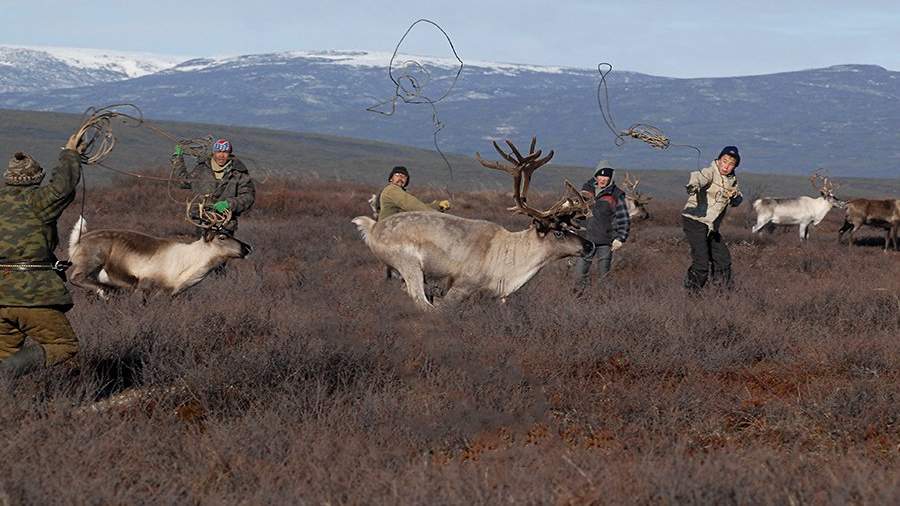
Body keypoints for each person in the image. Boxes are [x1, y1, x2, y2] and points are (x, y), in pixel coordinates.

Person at [0, 134, 84, 378]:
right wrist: (71, 153)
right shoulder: (38, 201)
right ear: (36, 178)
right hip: (32, 296)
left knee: (5, 354)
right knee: (63, 347)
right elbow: (63, 187)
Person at [682, 145, 743, 292]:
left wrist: (735, 197)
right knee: (701, 264)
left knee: (723, 260)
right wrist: (693, 186)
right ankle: (691, 295)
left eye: (731, 164)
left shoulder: (732, 180)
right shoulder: (710, 172)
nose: (726, 166)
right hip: (695, 221)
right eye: (724, 161)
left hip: (711, 227)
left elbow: (737, 199)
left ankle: (722, 294)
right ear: (718, 160)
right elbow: (699, 177)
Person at [172, 138, 255, 234]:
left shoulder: (239, 173)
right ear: (214, 152)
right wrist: (177, 159)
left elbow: (248, 197)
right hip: (201, 222)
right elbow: (182, 181)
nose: (221, 155)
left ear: (230, 154)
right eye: (218, 151)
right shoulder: (201, 169)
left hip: (225, 226)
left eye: (225, 152)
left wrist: (228, 204)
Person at [573, 164, 630, 293]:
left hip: (606, 241)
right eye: (601, 175)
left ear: (610, 178)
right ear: (596, 176)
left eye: (606, 176)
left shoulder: (616, 195)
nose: (603, 179)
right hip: (586, 240)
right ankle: (579, 300)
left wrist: (620, 238)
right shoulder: (585, 192)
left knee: (604, 276)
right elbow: (576, 214)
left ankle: (606, 301)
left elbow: (623, 218)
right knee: (579, 275)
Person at [376, 166, 450, 222]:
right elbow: (412, 206)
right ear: (391, 179)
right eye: (397, 175)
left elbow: (415, 207)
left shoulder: (400, 193)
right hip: (388, 232)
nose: (401, 178)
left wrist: (437, 205)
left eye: (404, 176)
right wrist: (439, 216)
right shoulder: (392, 190)